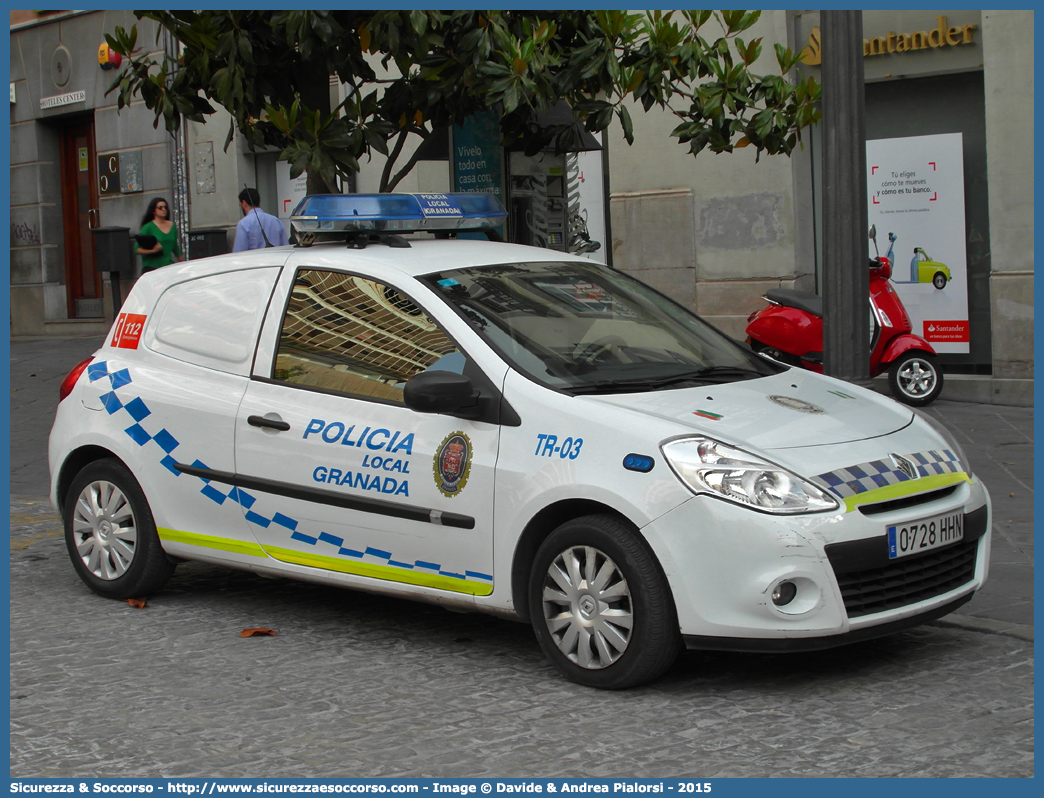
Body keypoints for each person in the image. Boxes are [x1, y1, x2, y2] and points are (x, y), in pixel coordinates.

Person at [136, 197, 181, 272]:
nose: (163, 209)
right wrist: (153, 250)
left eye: (165, 207)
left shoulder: (172, 226)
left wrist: (181, 261)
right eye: (160, 207)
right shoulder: (148, 227)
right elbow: (136, 249)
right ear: (154, 211)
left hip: (168, 267)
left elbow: (175, 246)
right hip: (152, 268)